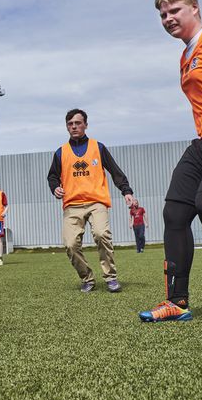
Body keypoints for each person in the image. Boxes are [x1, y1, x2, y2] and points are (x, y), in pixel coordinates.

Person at [139, 0, 202, 322]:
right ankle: (177, 301)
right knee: (175, 212)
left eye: (174, 11)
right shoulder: (185, 55)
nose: (167, 18)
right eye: (162, 14)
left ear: (195, 9)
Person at [47, 109, 137, 293]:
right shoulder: (60, 153)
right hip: (72, 205)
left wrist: (126, 191)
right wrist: (55, 187)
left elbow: (115, 171)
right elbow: (52, 177)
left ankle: (111, 277)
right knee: (71, 244)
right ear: (66, 127)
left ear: (86, 125)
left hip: (97, 201)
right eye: (70, 124)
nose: (74, 126)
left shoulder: (99, 147)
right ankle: (87, 278)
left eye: (78, 123)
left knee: (101, 234)